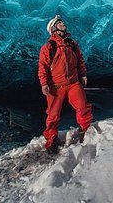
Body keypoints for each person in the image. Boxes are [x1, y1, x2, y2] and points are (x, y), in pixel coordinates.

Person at [38, 15, 92, 153]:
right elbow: (43, 66)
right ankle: (51, 140)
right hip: (56, 86)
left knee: (83, 108)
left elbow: (80, 60)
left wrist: (83, 74)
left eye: (62, 22)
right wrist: (44, 83)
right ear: (54, 28)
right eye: (59, 23)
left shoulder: (72, 44)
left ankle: (84, 132)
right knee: (53, 115)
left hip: (73, 83)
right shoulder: (49, 46)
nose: (63, 24)